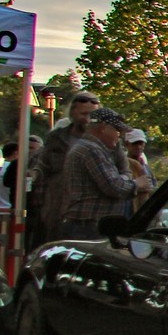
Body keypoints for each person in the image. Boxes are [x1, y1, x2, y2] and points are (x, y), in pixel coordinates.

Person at [57, 107, 151, 241]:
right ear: (103, 127)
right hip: (88, 227)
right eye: (117, 130)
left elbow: (121, 174)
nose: (119, 136)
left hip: (86, 225)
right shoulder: (92, 150)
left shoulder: (90, 148)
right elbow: (114, 187)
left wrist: (123, 179)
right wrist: (137, 184)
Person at [32, 91, 100, 243]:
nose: (88, 119)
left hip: (87, 213)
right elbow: (42, 166)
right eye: (84, 114)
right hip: (56, 207)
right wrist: (34, 176)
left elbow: (120, 171)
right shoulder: (56, 138)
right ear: (73, 113)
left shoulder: (104, 140)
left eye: (92, 115)